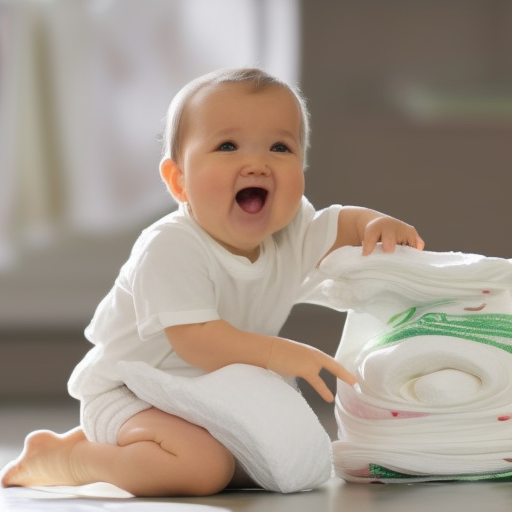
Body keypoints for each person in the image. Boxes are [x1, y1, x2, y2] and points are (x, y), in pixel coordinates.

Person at [1, 67, 424, 497]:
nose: (256, 162)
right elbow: (196, 340)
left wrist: (376, 223)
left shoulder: (293, 229)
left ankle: (104, 446)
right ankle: (69, 458)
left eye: (280, 147)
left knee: (261, 468)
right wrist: (278, 354)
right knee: (202, 469)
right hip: (133, 392)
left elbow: (339, 225)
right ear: (178, 180)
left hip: (211, 395)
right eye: (227, 146)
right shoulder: (171, 246)